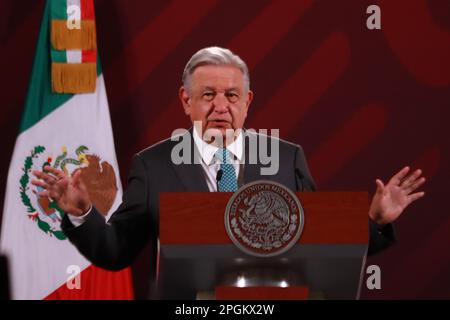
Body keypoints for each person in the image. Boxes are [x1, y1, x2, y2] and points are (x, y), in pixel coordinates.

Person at [31, 46, 426, 293]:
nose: (221, 106)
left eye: (232, 95)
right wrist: (82, 212)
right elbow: (116, 251)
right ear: (186, 101)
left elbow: (321, 242)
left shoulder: (287, 159)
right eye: (208, 95)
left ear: (248, 101)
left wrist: (374, 220)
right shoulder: (153, 165)